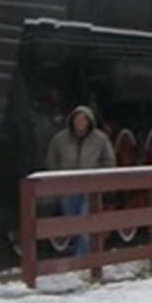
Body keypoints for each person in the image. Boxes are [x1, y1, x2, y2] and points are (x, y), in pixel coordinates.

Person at [45, 104, 115, 255]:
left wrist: (99, 177)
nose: (80, 122)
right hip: (67, 186)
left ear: (89, 121)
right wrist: (57, 177)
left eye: (83, 119)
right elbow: (52, 160)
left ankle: (82, 259)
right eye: (77, 119)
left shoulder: (100, 139)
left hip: (90, 187)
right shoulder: (60, 139)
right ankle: (86, 257)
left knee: (85, 221)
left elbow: (108, 161)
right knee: (73, 222)